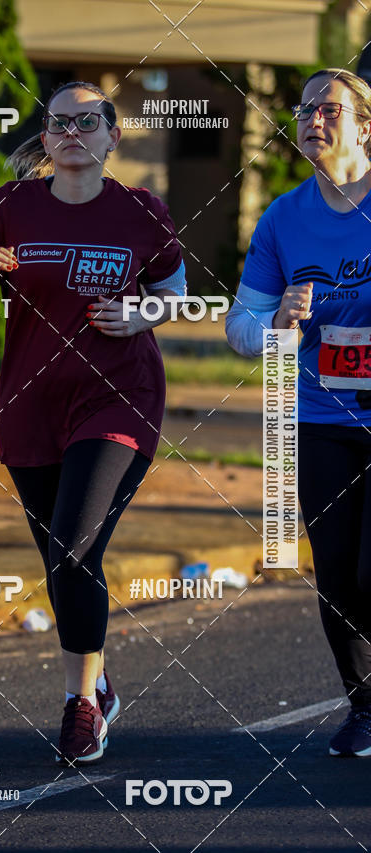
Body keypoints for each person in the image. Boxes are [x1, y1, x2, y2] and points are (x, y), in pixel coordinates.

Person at [0, 81, 186, 765]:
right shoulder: (10, 206)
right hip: (31, 405)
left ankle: (81, 707)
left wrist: (137, 315)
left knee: (74, 548)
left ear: (112, 137)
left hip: (119, 398)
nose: (73, 132)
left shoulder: (141, 212)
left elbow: (175, 293)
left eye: (89, 122)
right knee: (61, 559)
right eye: (60, 123)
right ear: (45, 139)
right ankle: (99, 679)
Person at [226, 68, 371, 756]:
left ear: (365, 125)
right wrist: (277, 325)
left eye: (330, 108)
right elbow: (240, 329)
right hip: (318, 416)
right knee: (338, 574)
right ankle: (365, 706)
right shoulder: (284, 217)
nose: (313, 117)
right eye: (305, 107)